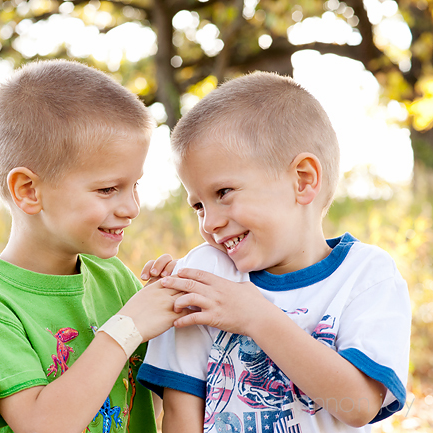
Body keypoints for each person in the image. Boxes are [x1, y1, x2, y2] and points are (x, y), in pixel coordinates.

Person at [137, 71, 411, 433]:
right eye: (199, 205)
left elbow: (358, 405)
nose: (210, 223)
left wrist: (256, 317)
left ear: (303, 180)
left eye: (223, 193)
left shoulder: (366, 276)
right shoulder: (207, 272)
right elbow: (179, 411)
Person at [0, 59, 185, 433]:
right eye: (108, 189)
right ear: (29, 191)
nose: (131, 208)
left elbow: (148, 390)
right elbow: (43, 425)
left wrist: (166, 315)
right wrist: (129, 324)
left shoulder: (114, 278)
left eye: (134, 184)